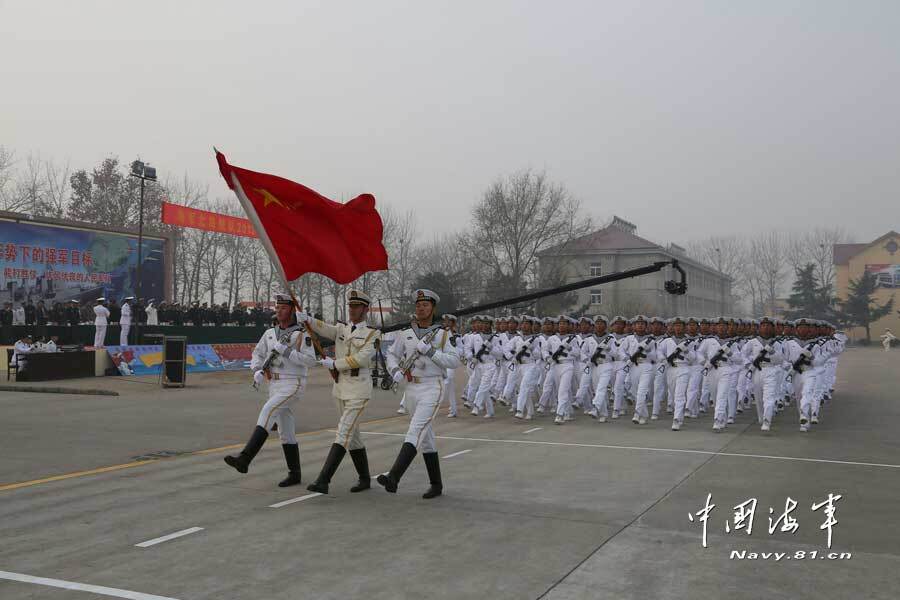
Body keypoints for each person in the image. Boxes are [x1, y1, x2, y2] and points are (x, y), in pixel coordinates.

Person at [224, 294, 318, 487]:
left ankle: (245, 458)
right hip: (273, 385)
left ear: (292, 311)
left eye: (283, 308)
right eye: (277, 307)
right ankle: (295, 473)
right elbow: (257, 354)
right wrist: (257, 369)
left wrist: (287, 351)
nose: (278, 311)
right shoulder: (269, 333)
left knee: (268, 411)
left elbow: (311, 360)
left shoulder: (301, 334)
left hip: (293, 383)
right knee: (286, 430)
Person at [379, 289, 460, 499]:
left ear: (432, 308)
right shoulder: (405, 333)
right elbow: (391, 354)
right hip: (411, 388)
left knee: (415, 430)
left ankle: (394, 476)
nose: (420, 308)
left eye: (425, 305)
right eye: (418, 305)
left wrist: (431, 352)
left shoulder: (442, 334)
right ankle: (436, 485)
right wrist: (395, 370)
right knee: (425, 438)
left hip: (433, 386)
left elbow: (454, 361)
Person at [300, 289, 381, 495]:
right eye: (350, 306)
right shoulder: (342, 329)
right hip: (340, 389)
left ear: (365, 309)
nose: (352, 310)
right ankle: (364, 479)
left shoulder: (373, 333)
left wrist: (335, 363)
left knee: (343, 432)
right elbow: (324, 329)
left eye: (356, 307)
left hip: (359, 390)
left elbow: (362, 359)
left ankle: (323, 480)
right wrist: (308, 319)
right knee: (353, 437)